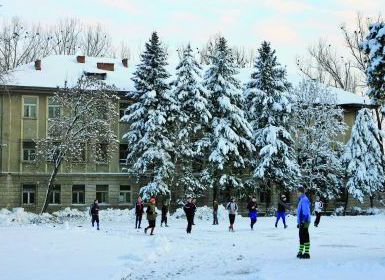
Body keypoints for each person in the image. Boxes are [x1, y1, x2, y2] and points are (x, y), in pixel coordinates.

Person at [297, 186, 311, 259]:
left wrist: (303, 221)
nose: (297, 193)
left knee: (305, 236)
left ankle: (306, 252)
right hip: (302, 221)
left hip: (305, 221)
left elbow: (305, 212)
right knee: (301, 236)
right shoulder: (301, 199)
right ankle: (301, 251)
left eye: (298, 192)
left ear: (301, 192)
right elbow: (300, 212)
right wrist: (298, 222)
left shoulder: (304, 200)